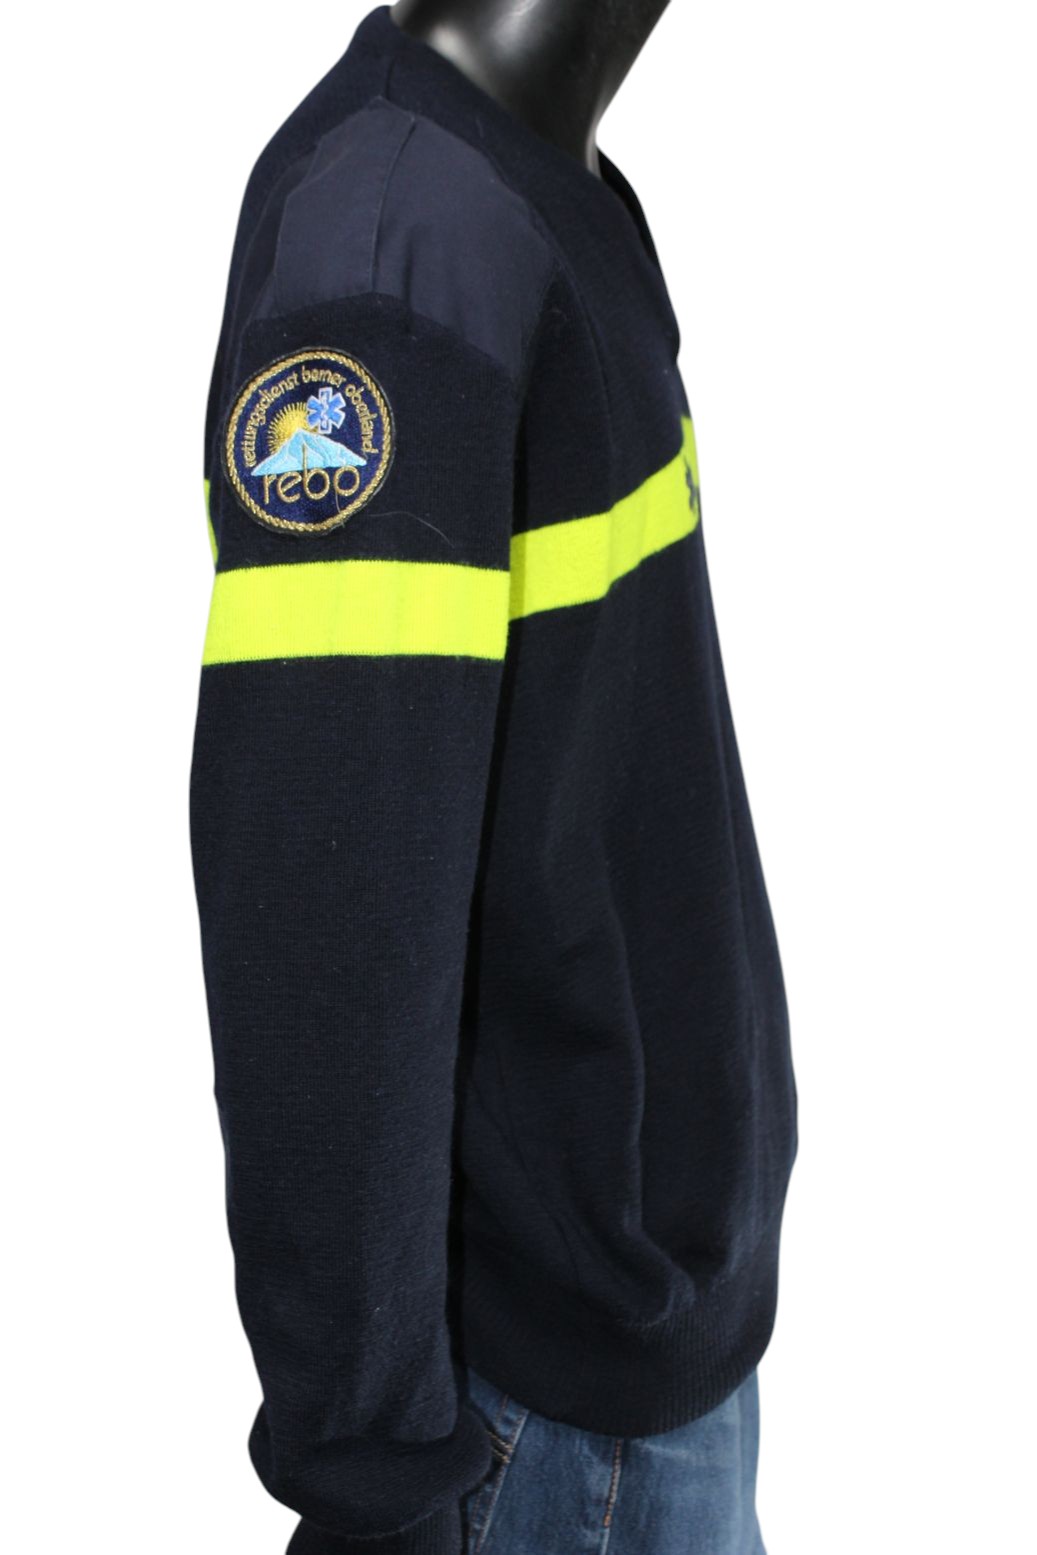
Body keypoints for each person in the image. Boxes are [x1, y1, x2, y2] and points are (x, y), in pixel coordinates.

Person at [189, 4, 799, 1551]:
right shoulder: (395, 250)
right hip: (533, 1428)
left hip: (645, 1352)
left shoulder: (535, 180)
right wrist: (375, 1478)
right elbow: (325, 915)